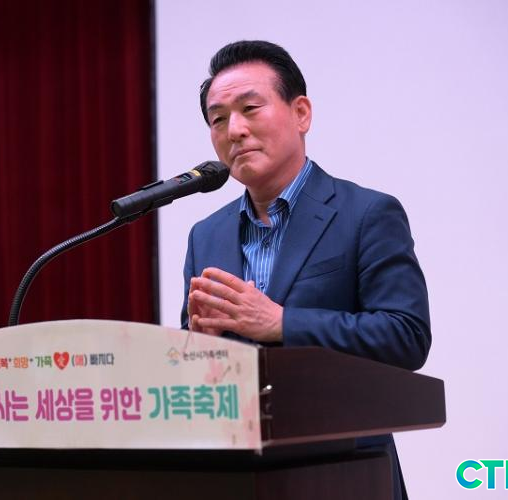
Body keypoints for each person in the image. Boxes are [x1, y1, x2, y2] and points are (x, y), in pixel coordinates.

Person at [181, 40, 430, 499]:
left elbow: (406, 335)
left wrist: (281, 323)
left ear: (301, 113)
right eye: (218, 119)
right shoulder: (205, 236)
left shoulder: (366, 214)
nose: (234, 130)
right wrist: (198, 349)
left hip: (344, 473)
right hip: (235, 477)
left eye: (250, 108)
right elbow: (196, 368)